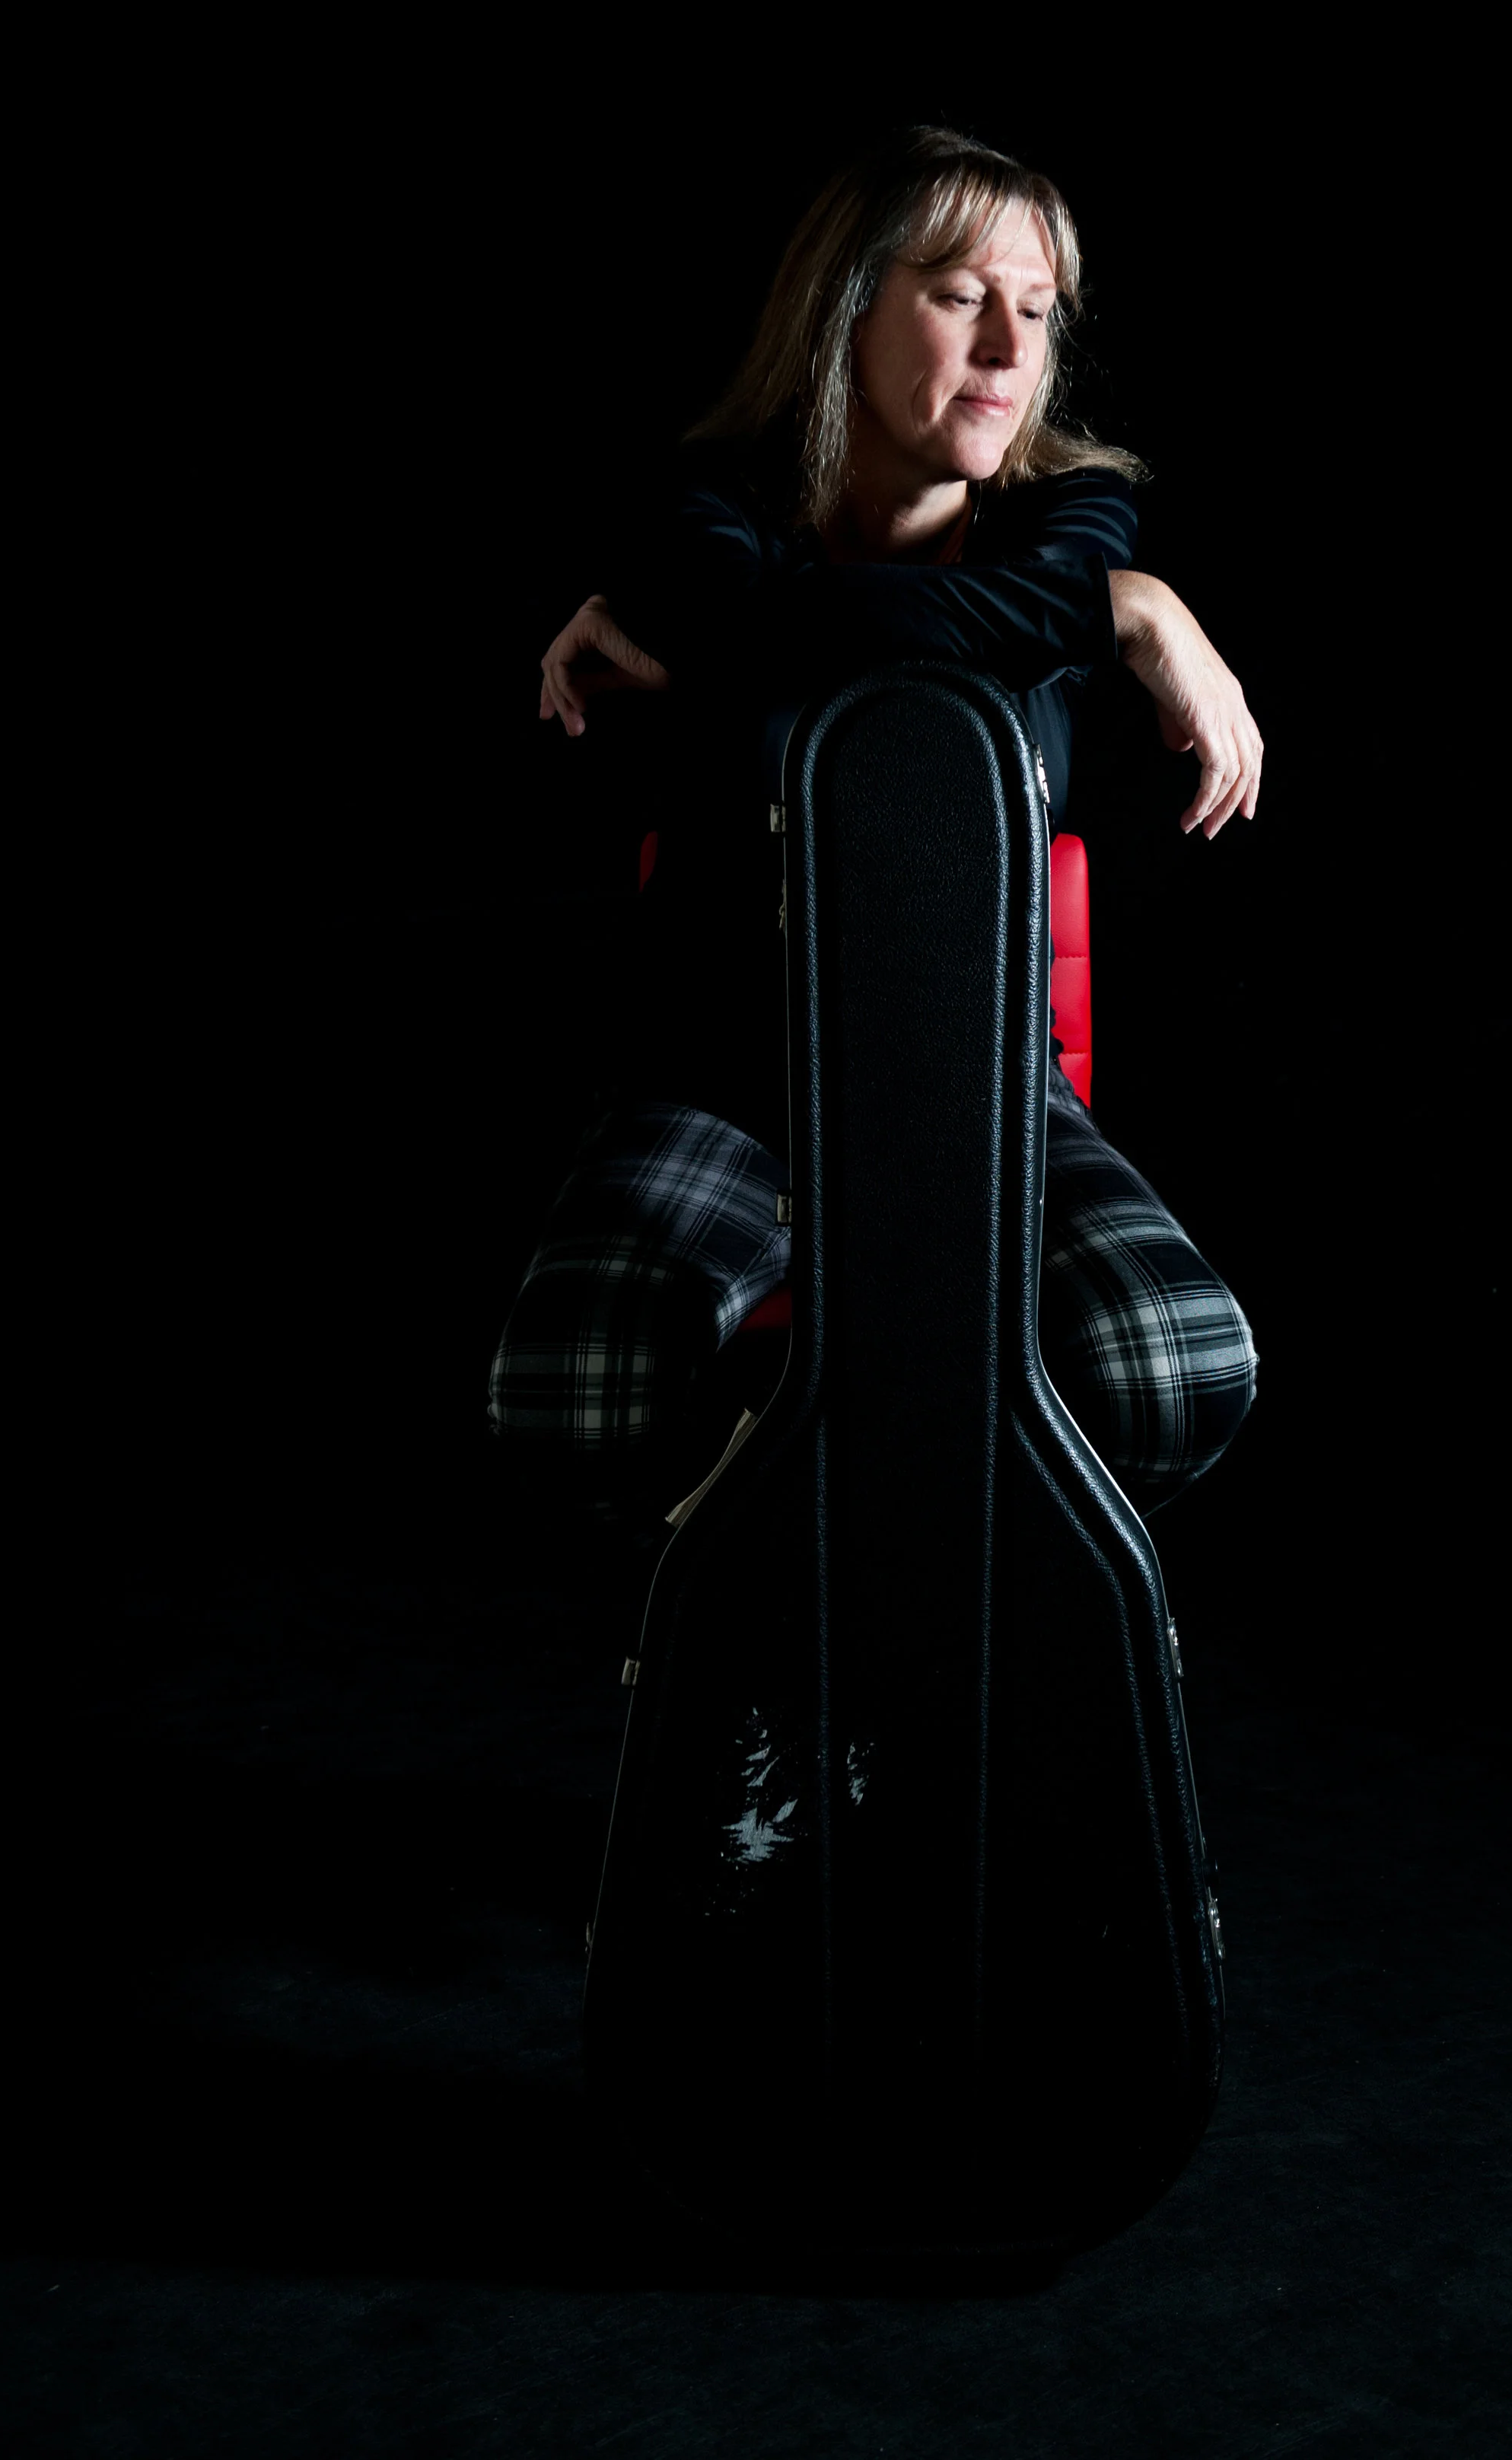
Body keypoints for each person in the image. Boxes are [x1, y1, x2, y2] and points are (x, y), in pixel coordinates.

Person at [491, 125, 1263, 1517]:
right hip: (730, 1080)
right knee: (574, 1389)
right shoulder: (718, 511)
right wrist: (1122, 618)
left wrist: (1123, 596)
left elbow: (761, 636)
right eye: (962, 295)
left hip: (986, 1078)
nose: (1010, 349)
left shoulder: (1069, 522)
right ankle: (761, 1584)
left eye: (1038, 310)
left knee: (1175, 1369)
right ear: (844, 306)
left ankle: (958, 1582)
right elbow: (755, 619)